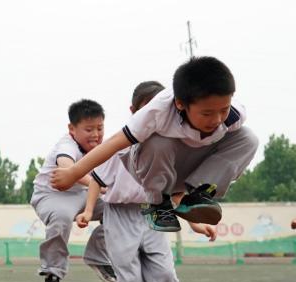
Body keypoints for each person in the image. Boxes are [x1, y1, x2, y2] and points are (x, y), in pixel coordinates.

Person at [77, 80, 216, 282]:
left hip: (154, 214)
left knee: (166, 278)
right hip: (121, 215)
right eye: (147, 110)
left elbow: (176, 195)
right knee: (129, 281)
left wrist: (195, 223)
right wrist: (89, 210)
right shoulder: (120, 146)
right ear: (134, 111)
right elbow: (97, 179)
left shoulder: (172, 150)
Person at [52, 56, 258, 232]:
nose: (216, 119)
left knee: (247, 138)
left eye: (223, 109)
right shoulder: (157, 112)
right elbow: (114, 143)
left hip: (188, 169)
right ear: (180, 103)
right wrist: (73, 173)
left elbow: (235, 148)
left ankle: (199, 193)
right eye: (206, 113)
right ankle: (159, 204)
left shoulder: (233, 116)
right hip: (149, 168)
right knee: (159, 142)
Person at [30, 100, 115, 282]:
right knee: (62, 217)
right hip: (52, 195)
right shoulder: (66, 145)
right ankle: (53, 274)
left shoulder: (102, 147)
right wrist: (101, 186)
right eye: (89, 129)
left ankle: (98, 256)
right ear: (72, 129)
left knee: (120, 209)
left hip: (83, 193)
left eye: (100, 128)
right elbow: (68, 169)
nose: (95, 134)